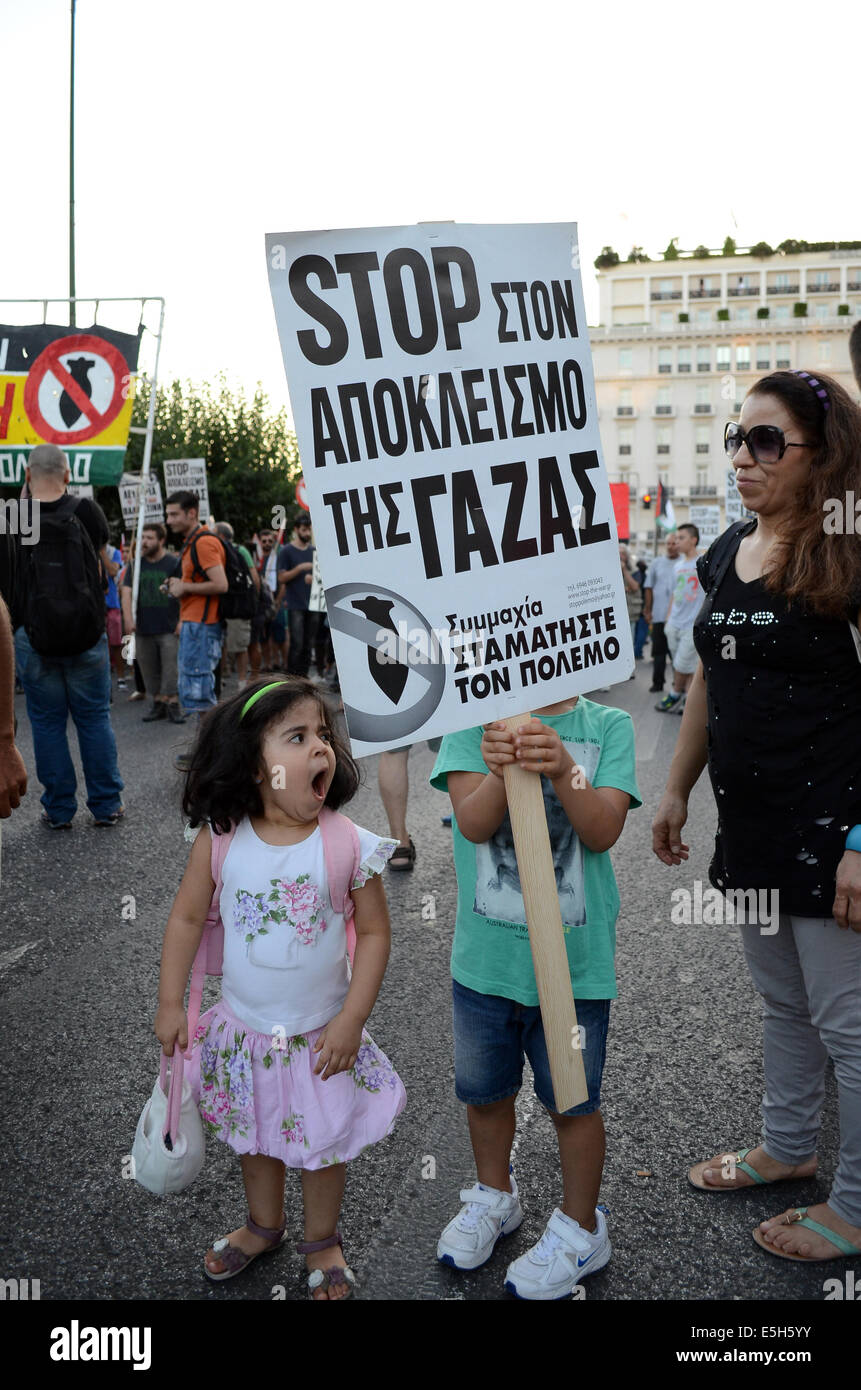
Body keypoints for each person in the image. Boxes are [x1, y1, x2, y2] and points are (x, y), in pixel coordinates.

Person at [652, 369, 861, 1264]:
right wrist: (673, 787)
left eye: (764, 441)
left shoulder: (850, 550)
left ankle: (853, 1209)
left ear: (821, 455)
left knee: (848, 1027)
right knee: (783, 1005)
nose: (741, 454)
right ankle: (786, 1148)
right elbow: (710, 675)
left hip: (834, 827)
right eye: (736, 438)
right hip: (755, 823)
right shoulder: (727, 547)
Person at [154, 677, 405, 1296]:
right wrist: (169, 1003)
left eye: (324, 734)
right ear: (252, 762)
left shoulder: (348, 843)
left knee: (321, 1143)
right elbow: (187, 917)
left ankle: (322, 1240)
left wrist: (350, 1020)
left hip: (321, 1034)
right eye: (298, 736)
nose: (321, 747)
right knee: (255, 1130)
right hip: (244, 1029)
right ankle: (263, 1225)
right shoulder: (221, 837)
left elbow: (374, 934)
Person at [430, 693, 641, 1298]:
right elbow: (472, 824)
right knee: (485, 1095)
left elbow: (601, 832)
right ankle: (495, 1196)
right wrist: (500, 772)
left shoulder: (610, 726)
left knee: (571, 1102)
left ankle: (581, 1228)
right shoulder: (474, 722)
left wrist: (562, 766)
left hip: (572, 970)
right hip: (485, 967)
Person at [13, 444, 124, 828]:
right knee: (94, 718)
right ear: (67, 474)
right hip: (86, 632)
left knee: (46, 723)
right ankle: (107, 805)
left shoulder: (14, 516)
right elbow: (103, 565)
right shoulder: (86, 511)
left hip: (32, 635)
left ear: (27, 475)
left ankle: (58, 810)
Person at [164, 492, 228, 771]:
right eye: (168, 515)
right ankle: (208, 750)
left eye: (174, 514)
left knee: (202, 691)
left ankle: (215, 753)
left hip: (203, 627)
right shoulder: (193, 542)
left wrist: (185, 587)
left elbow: (221, 584)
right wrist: (178, 585)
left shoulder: (203, 542)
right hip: (195, 624)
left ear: (192, 513)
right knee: (197, 689)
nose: (169, 520)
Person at [121, 523, 185, 724]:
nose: (144, 542)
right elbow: (126, 592)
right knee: (149, 669)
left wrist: (182, 620)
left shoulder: (173, 563)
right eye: (143, 538)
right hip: (143, 627)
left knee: (171, 667)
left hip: (168, 625)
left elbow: (183, 592)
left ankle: (173, 704)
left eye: (149, 538)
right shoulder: (135, 565)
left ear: (161, 540)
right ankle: (157, 703)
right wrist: (128, 618)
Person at [654, 523, 701, 714]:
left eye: (682, 537)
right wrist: (667, 620)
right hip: (674, 623)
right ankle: (688, 700)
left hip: (692, 624)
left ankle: (674, 693)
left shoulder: (703, 562)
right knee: (684, 664)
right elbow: (675, 593)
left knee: (682, 663)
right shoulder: (678, 566)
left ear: (693, 540)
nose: (677, 541)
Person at [214, 521, 260, 692]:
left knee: (239, 645)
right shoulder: (217, 551)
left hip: (236, 606)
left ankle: (241, 681)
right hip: (225, 606)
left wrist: (252, 602)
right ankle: (228, 678)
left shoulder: (240, 551)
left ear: (221, 536)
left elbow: (254, 577)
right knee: (223, 644)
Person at [277, 516, 316, 678]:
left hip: (313, 604)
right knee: (297, 644)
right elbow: (281, 578)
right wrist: (300, 569)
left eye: (309, 529)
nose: (307, 533)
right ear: (296, 530)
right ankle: (292, 678)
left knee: (308, 644)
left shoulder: (314, 551)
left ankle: (304, 677)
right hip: (295, 604)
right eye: (304, 530)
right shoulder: (286, 551)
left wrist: (313, 577)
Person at [644, 531, 680, 693]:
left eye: (674, 543)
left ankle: (677, 685)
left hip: (678, 618)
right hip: (659, 615)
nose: (671, 547)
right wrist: (647, 609)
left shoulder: (685, 563)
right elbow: (649, 588)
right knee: (658, 652)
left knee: (677, 655)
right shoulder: (656, 563)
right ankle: (657, 683)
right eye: (668, 544)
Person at [619, 544, 642, 677]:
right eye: (618, 553)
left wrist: (625, 571)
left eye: (623, 554)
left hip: (630, 613)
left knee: (629, 642)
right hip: (616, 615)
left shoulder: (635, 570)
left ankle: (629, 670)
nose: (620, 556)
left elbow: (634, 587)